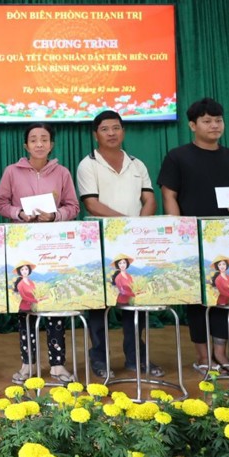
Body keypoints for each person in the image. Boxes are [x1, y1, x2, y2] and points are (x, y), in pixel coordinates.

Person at [158, 97, 229, 375]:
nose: (214, 125)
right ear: (193, 125)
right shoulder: (178, 156)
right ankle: (203, 357)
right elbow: (169, 195)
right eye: (206, 121)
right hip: (192, 239)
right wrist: (180, 231)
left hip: (227, 238)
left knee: (223, 294)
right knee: (198, 298)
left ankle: (221, 353)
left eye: (218, 120)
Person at [75, 110, 160, 378]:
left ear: (123, 131)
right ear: (95, 134)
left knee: (135, 300)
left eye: (116, 128)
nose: (111, 133)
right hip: (100, 242)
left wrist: (138, 229)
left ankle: (136, 358)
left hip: (134, 242)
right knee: (99, 303)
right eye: (105, 129)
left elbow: (150, 199)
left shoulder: (137, 164)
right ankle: (99, 359)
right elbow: (91, 204)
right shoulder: (88, 164)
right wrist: (126, 223)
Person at [0, 122, 80, 384]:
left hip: (53, 249)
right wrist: (19, 214)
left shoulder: (62, 172)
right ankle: (28, 364)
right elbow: (0, 203)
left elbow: (73, 206)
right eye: (33, 139)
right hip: (23, 246)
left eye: (44, 139)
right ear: (26, 145)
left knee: (54, 304)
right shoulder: (12, 171)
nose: (39, 144)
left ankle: (57, 365)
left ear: (51, 144)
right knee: (26, 307)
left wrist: (55, 216)